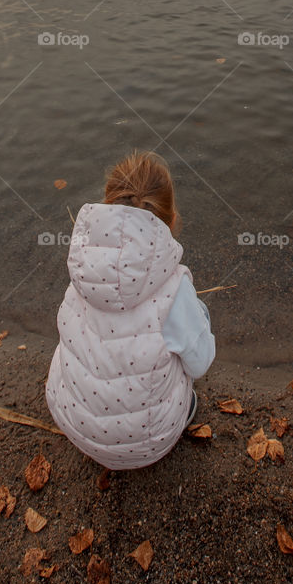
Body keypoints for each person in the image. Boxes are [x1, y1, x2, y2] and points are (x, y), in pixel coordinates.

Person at [45, 151, 215, 469]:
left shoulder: (82, 269)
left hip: (73, 424)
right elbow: (200, 364)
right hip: (148, 445)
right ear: (171, 219)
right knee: (198, 314)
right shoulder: (175, 288)